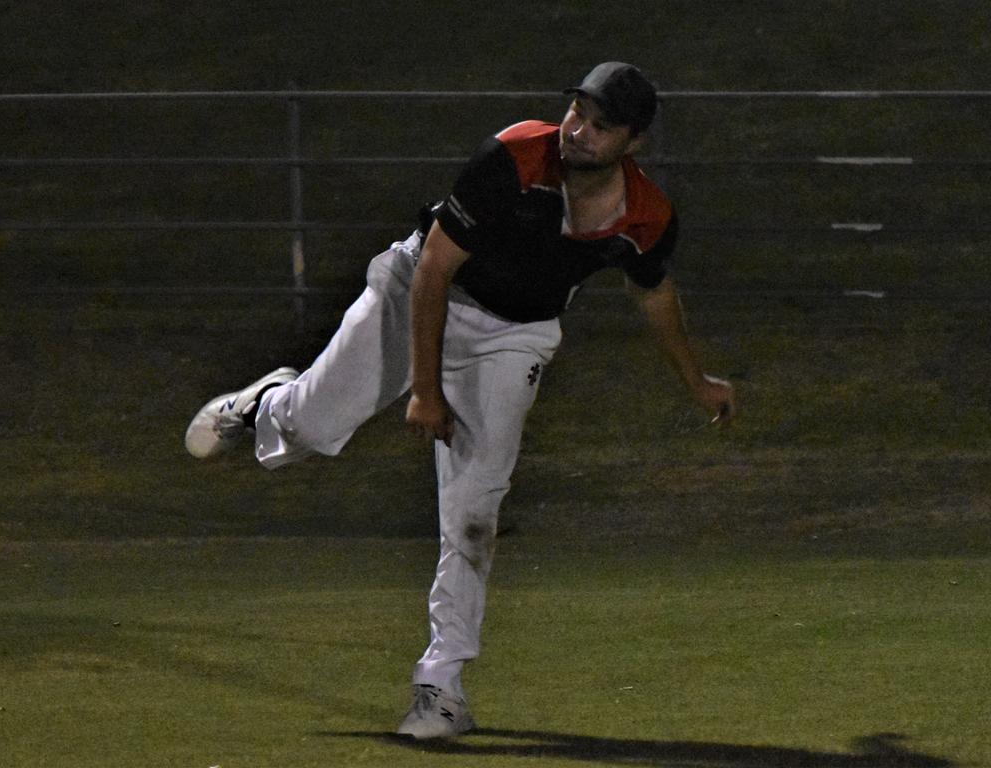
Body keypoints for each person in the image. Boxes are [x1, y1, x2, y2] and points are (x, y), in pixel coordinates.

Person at [184, 61, 735, 739]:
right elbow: (435, 271)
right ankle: (267, 403)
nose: (579, 131)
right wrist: (425, 390)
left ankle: (440, 689)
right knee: (309, 429)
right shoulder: (512, 158)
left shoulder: (646, 216)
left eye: (601, 125)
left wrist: (697, 382)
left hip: (514, 337)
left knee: (475, 512)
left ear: (635, 142)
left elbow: (653, 293)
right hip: (414, 292)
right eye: (577, 113)